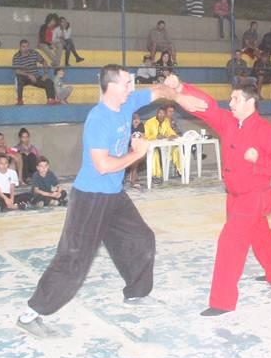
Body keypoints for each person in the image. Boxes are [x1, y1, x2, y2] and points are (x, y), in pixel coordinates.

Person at [16, 64, 207, 338]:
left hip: (114, 196)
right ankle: (30, 313)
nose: (132, 87)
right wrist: (137, 153)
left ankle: (136, 294)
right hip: (90, 197)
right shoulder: (98, 119)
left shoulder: (127, 103)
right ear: (112, 87)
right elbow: (103, 165)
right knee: (74, 259)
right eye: (127, 83)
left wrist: (179, 96)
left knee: (141, 238)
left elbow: (157, 91)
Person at [166, 75, 271, 316]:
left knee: (230, 243)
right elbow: (208, 106)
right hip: (235, 196)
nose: (231, 103)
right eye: (231, 98)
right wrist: (183, 87)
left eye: (236, 99)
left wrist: (260, 161)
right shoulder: (228, 122)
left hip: (255, 196)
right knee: (260, 235)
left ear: (250, 103)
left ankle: (222, 301)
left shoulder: (269, 132)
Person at [13, 39, 58, 106]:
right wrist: (29, 75)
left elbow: (44, 62)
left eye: (27, 46)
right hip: (25, 78)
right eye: (23, 46)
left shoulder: (34, 53)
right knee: (19, 78)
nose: (26, 48)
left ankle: (51, 100)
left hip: (35, 77)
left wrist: (45, 74)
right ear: (20, 47)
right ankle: (20, 100)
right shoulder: (16, 56)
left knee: (49, 81)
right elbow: (16, 71)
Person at [144, 106, 181, 181]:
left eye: (163, 114)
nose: (162, 115)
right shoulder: (149, 122)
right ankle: (156, 176)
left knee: (177, 149)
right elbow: (146, 136)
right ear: (157, 113)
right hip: (152, 147)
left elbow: (169, 131)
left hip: (164, 146)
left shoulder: (166, 121)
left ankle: (181, 172)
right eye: (160, 113)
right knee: (155, 153)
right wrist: (155, 136)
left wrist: (172, 135)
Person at [126, 113, 145, 188]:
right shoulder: (129, 126)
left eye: (138, 118)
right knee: (134, 157)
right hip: (129, 147)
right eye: (134, 118)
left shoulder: (141, 125)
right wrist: (134, 127)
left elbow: (143, 136)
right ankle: (133, 178)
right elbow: (130, 140)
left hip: (138, 147)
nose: (136, 120)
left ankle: (133, 176)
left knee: (139, 155)